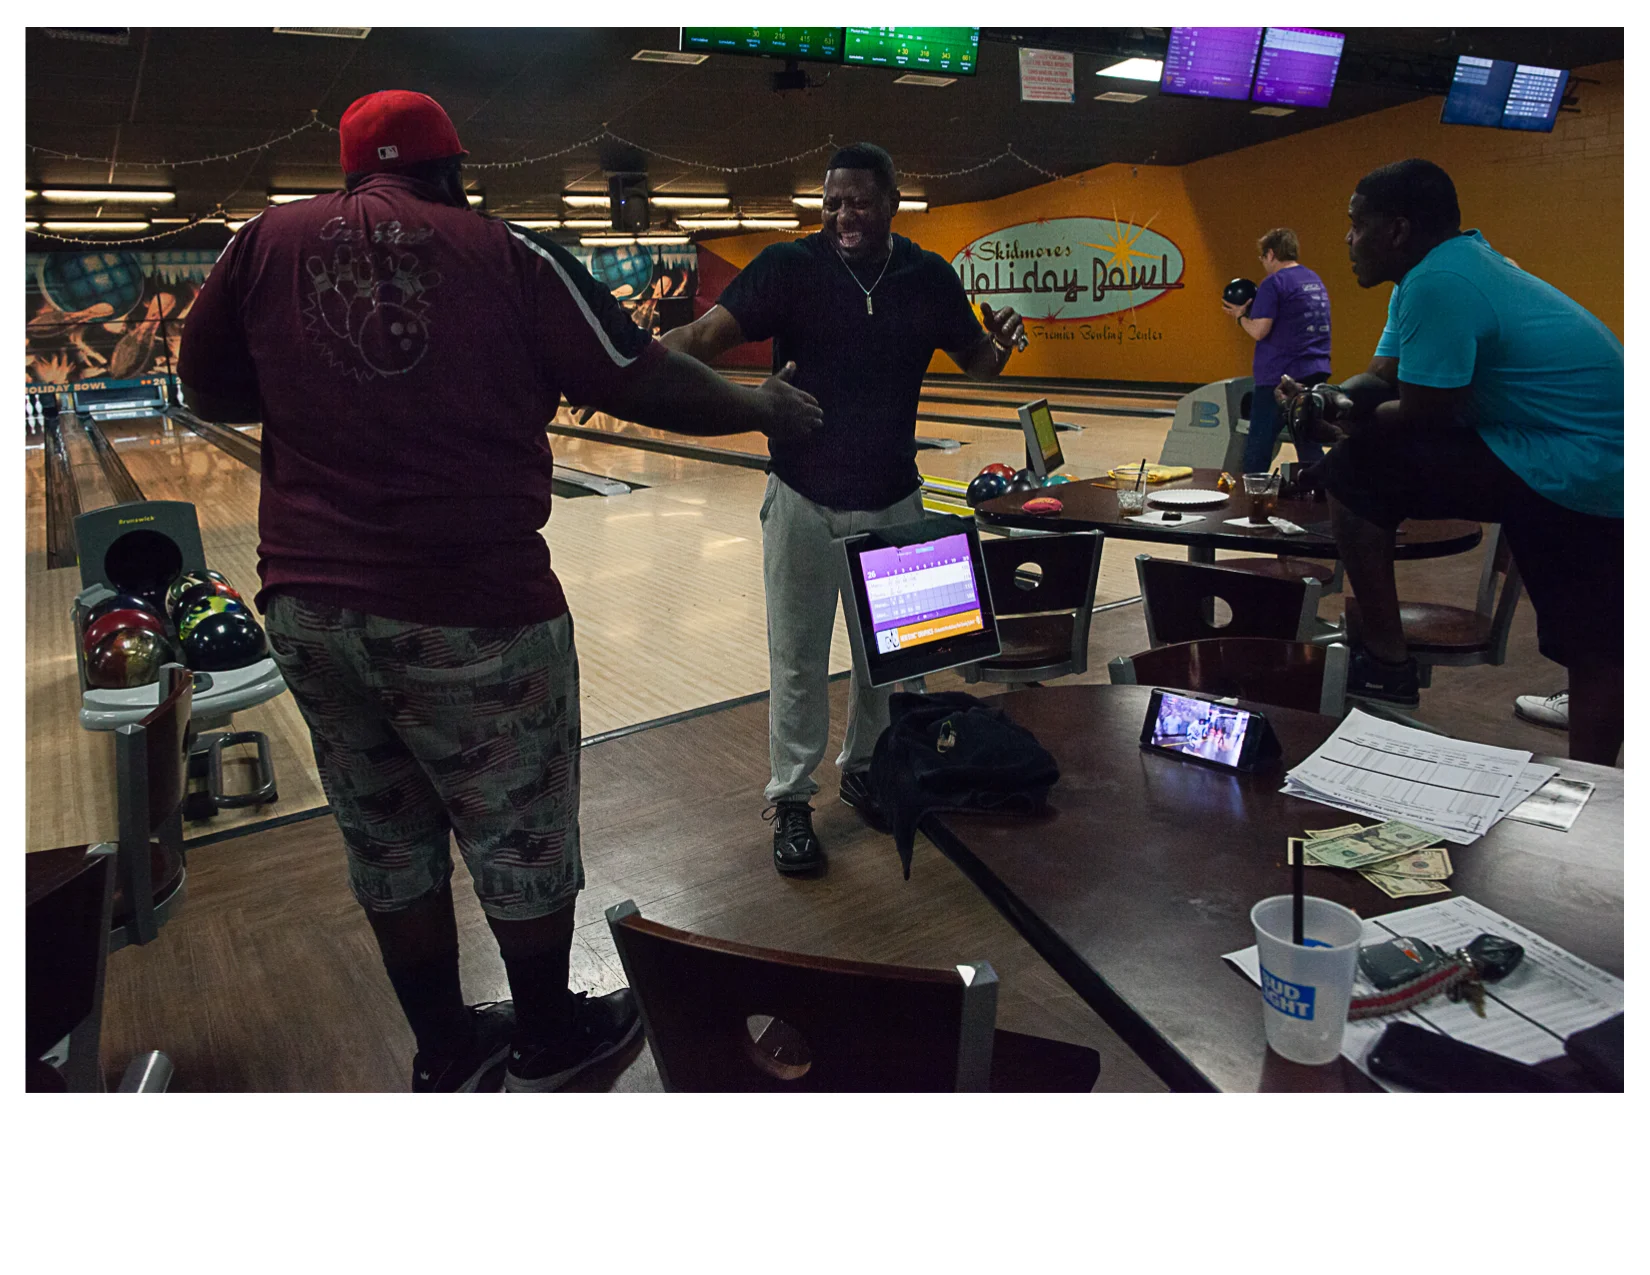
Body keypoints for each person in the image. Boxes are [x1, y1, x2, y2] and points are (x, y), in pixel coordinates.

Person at [176, 90, 822, 1092]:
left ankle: (445, 1050)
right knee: (517, 826)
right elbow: (636, 378)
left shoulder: (262, 242)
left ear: (351, 169)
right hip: (472, 607)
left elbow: (205, 392)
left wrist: (324, 388)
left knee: (386, 838)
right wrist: (757, 405)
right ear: (453, 168)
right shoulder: (512, 253)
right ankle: (550, 1032)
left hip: (309, 609)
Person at [656, 142, 1026, 874]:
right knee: (796, 662)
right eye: (830, 203)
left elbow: (979, 360)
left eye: (857, 201)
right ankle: (792, 799)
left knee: (894, 669)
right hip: (801, 497)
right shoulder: (789, 268)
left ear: (892, 201)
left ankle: (868, 769)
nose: (842, 215)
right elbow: (699, 340)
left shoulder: (927, 277)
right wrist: (632, 370)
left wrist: (1002, 346)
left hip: (896, 500)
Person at [1278, 159, 1623, 764]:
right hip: (1554, 447)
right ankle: (1386, 657)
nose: (1347, 238)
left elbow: (1424, 412)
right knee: (1359, 463)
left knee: (1598, 652)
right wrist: (1327, 399)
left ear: (1398, 230)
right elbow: (1381, 379)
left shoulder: (1442, 283)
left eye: (1356, 224)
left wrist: (1342, 419)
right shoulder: (1439, 272)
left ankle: (1388, 663)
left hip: (1588, 466)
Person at [1221, 227, 1333, 475]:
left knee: (1257, 449)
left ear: (1271, 254)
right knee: (1308, 441)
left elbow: (1260, 331)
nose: (1263, 263)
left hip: (1279, 379)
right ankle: (1321, 498)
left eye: (1262, 257)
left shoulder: (1274, 283)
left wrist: (1240, 317)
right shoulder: (1313, 280)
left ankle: (1251, 501)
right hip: (1315, 373)